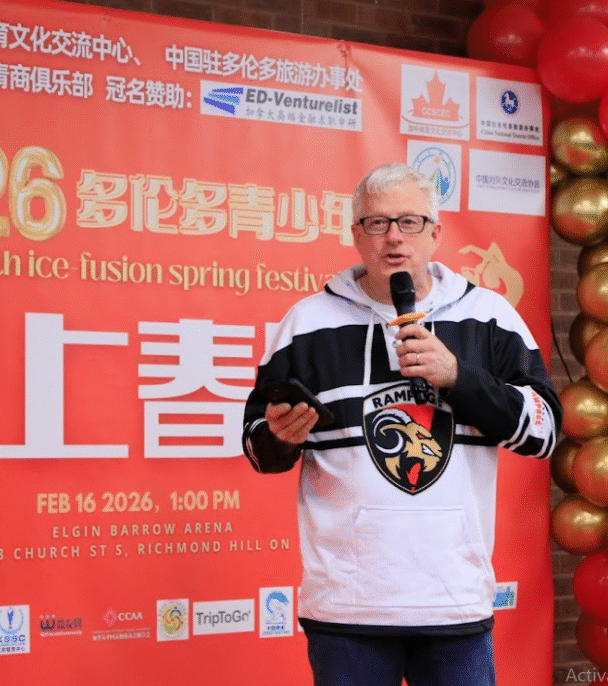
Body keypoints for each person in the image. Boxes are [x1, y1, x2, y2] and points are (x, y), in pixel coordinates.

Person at [241, 162, 562, 686]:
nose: (394, 237)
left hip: (452, 601)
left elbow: (544, 433)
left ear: (435, 234)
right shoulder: (306, 324)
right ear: (356, 234)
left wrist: (458, 377)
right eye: (377, 223)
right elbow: (257, 446)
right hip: (347, 608)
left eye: (410, 222)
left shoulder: (488, 317)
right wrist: (278, 437)